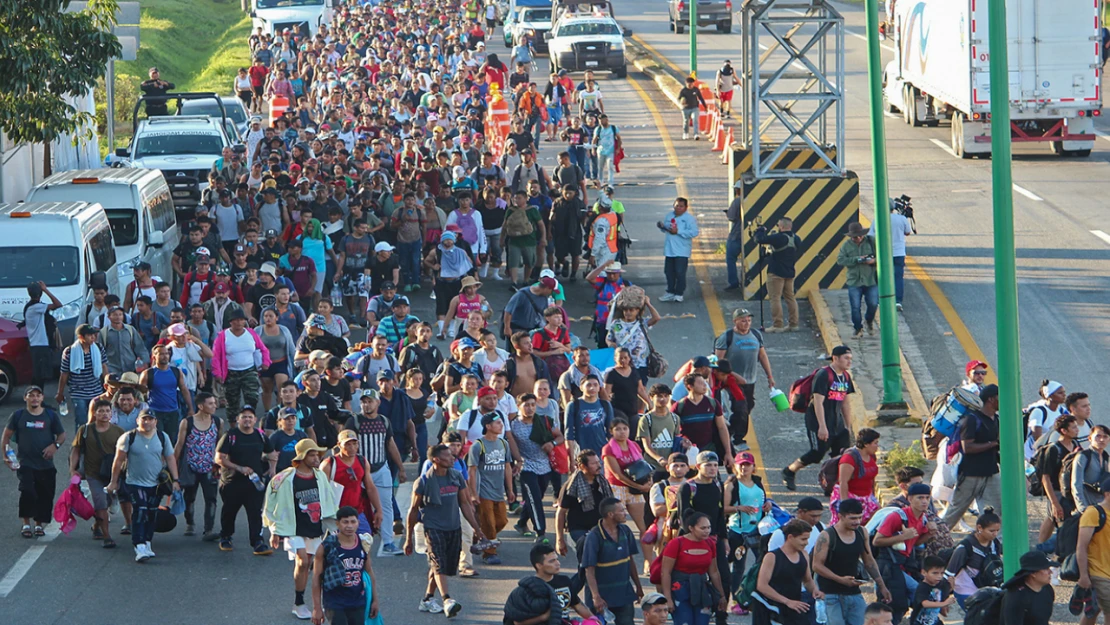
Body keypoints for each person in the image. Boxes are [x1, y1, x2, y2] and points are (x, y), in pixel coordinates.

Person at [404, 443, 489, 618]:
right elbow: (413, 510)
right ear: (436, 459)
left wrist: (477, 529)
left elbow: (464, 504)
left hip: (453, 527)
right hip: (433, 528)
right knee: (439, 564)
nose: (453, 458)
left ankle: (427, 599)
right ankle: (447, 600)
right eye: (448, 456)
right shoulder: (423, 482)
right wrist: (408, 538)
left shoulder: (456, 476)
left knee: (442, 566)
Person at [263, 438, 339, 620]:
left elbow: (328, 500)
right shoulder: (284, 478)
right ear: (302, 456)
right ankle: (298, 602)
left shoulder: (320, 476)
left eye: (317, 454)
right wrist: (274, 530)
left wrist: (334, 524)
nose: (316, 458)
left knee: (310, 564)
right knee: (302, 561)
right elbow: (271, 503)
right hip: (293, 527)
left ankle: (306, 600)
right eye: (312, 454)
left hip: (314, 527)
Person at [106, 408, 181, 562]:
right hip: (134, 482)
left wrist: (176, 480)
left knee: (152, 512)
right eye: (144, 419)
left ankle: (147, 541)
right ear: (137, 421)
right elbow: (118, 461)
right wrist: (113, 482)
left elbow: (170, 458)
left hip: (156, 483)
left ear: (155, 422)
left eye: (150, 419)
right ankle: (139, 545)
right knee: (140, 511)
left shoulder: (162, 437)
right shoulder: (128, 437)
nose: (147, 422)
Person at [782, 345, 855, 491]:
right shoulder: (824, 375)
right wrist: (822, 426)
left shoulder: (845, 377)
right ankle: (790, 471)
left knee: (842, 453)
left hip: (837, 421)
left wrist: (848, 427)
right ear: (835, 358)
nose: (849, 362)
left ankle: (834, 485)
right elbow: (818, 402)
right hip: (817, 420)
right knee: (817, 453)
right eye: (846, 358)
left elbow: (845, 403)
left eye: (850, 359)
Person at [811, 498, 892, 625]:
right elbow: (816, 566)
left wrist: (882, 586)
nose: (857, 522)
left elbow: (869, 561)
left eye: (859, 518)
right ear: (840, 516)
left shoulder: (862, 532)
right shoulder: (826, 536)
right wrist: (840, 579)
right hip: (830, 593)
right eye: (853, 518)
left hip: (853, 592)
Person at [344, 392, 403, 555]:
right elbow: (343, 443)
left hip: (380, 467)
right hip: (359, 470)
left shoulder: (384, 421)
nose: (366, 405)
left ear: (378, 403)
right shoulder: (354, 421)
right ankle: (355, 540)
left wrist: (400, 467)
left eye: (370, 401)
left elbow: (390, 444)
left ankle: (388, 542)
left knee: (386, 505)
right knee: (356, 505)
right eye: (363, 402)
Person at [215, 405, 278, 555]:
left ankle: (257, 542)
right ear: (238, 420)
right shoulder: (230, 436)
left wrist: (272, 469)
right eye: (244, 417)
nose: (247, 420)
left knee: (255, 512)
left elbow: (272, 453)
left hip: (254, 483)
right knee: (229, 511)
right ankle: (226, 537)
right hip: (232, 482)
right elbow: (219, 458)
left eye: (250, 417)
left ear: (255, 419)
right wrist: (239, 468)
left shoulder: (260, 435)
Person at [4, 385, 65, 538]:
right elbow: (5, 438)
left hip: (46, 465)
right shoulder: (18, 415)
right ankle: (26, 523)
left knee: (45, 495)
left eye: (38, 395)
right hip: (25, 463)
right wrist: (6, 457)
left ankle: (39, 524)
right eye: (31, 395)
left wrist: (55, 445)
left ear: (42, 398)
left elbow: (62, 435)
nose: (35, 398)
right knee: (28, 492)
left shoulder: (50, 415)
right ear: (25, 398)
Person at [713, 308, 774, 451]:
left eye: (748, 320)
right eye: (742, 320)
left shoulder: (756, 335)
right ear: (735, 321)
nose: (746, 323)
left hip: (750, 380)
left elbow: (763, 356)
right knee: (740, 408)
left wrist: (769, 376)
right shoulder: (726, 337)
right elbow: (718, 362)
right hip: (731, 381)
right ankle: (738, 439)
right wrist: (730, 375)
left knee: (747, 407)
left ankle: (729, 431)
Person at [873, 482, 934, 622]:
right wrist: (902, 537)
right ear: (910, 499)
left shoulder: (922, 518)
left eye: (927, 498)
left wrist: (930, 534)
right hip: (888, 566)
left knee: (906, 601)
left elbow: (915, 542)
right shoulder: (897, 516)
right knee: (900, 601)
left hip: (903, 566)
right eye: (920, 498)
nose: (924, 501)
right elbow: (877, 541)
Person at [942, 383, 1001, 526]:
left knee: (994, 513)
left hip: (991, 472)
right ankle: (933, 539)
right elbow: (967, 447)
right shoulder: (972, 420)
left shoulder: (997, 419)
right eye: (1000, 397)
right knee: (955, 512)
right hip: (970, 474)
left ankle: (997, 544)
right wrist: (994, 444)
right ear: (991, 399)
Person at [311, 505, 381, 625]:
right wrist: (317, 608)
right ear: (337, 524)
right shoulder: (326, 546)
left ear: (358, 523)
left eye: (353, 522)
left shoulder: (363, 544)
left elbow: (369, 572)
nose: (349, 526)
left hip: (358, 601)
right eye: (345, 522)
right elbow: (317, 577)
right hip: (334, 602)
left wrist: (374, 600)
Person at [69, 398, 125, 548]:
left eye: (108, 411)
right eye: (101, 411)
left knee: (106, 503)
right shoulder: (85, 430)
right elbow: (76, 450)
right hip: (93, 474)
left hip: (112, 474)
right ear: (95, 413)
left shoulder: (118, 431)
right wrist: (72, 469)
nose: (105, 414)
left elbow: (126, 453)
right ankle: (107, 536)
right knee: (100, 502)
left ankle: (96, 525)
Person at [581, 497, 644, 625]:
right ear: (610, 514)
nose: (625, 513)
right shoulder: (594, 536)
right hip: (602, 598)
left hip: (623, 594)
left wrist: (638, 586)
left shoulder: (626, 532)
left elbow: (630, 560)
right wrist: (596, 597)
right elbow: (589, 570)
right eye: (621, 511)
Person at [511, 392, 564, 542]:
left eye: (533, 405)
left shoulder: (544, 421)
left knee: (536, 497)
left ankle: (521, 523)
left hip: (545, 466)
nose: (530, 408)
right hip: (526, 467)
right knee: (534, 499)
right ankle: (541, 533)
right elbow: (510, 445)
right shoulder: (513, 426)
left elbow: (560, 437)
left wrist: (552, 443)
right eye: (526, 405)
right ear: (518, 406)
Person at [661, 512, 728, 625]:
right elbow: (665, 573)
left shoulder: (710, 544)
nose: (707, 531)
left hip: (701, 589)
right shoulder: (676, 543)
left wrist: (721, 596)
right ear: (691, 528)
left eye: (709, 527)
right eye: (703, 528)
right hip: (679, 590)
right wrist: (668, 598)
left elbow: (714, 572)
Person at [753, 519, 824, 625]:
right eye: (803, 539)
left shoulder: (804, 555)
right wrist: (787, 601)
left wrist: (814, 590)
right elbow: (762, 585)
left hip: (794, 606)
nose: (806, 543)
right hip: (771, 607)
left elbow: (807, 580)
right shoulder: (772, 557)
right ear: (790, 537)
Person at [468, 411, 514, 565]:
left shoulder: (503, 443)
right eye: (498, 423)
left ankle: (480, 537)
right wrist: (474, 493)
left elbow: (507, 467)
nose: (501, 425)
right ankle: (489, 553)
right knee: (488, 521)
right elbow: (472, 471)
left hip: (498, 490)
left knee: (501, 520)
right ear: (488, 426)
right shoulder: (478, 446)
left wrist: (510, 490)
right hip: (484, 491)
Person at [175, 392, 223, 540]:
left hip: (211, 468)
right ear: (201, 406)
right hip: (191, 467)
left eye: (214, 403)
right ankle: (190, 523)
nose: (214, 406)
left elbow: (221, 445)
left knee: (211, 499)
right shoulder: (187, 422)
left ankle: (208, 530)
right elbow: (179, 445)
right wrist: (173, 469)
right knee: (189, 497)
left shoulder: (217, 421)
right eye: (210, 403)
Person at [212, 309, 271, 420]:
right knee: (232, 402)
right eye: (236, 320)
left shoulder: (251, 333)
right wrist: (217, 373)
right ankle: (234, 427)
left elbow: (263, 349)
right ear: (231, 322)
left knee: (252, 397)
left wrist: (265, 362)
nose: (239, 323)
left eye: (241, 320)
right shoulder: (223, 336)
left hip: (249, 370)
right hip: (231, 372)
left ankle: (250, 422)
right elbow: (215, 356)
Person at [556, 450, 614, 559]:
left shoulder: (602, 482)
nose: (598, 466)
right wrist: (560, 540)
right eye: (593, 463)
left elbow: (610, 504)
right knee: (587, 558)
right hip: (579, 529)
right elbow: (561, 512)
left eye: (598, 462)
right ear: (582, 466)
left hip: (600, 527)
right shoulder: (571, 486)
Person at [944, 508, 1002, 609]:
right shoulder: (965, 548)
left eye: (997, 530)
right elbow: (949, 574)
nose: (995, 534)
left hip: (987, 589)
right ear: (979, 528)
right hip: (966, 590)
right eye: (991, 531)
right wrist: (943, 600)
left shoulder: (994, 543)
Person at [674, 373, 733, 469]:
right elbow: (672, 429)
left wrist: (728, 453)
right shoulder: (679, 406)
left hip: (709, 448)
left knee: (711, 476)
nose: (705, 385)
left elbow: (722, 427)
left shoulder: (713, 403)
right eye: (700, 383)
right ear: (690, 386)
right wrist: (681, 441)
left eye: (705, 382)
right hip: (688, 451)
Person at [140, 344, 194, 445]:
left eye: (166, 354)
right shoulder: (148, 373)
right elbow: (140, 394)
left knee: (172, 441)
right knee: (157, 441)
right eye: (161, 354)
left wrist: (190, 408)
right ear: (154, 356)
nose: (165, 356)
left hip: (173, 411)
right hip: (155, 412)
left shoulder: (176, 372)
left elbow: (184, 390)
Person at [57, 324, 107, 430]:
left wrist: (107, 384)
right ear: (81, 337)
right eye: (90, 335)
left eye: (94, 335)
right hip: (78, 392)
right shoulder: (70, 351)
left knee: (97, 419)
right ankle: (80, 443)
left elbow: (103, 367)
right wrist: (60, 393)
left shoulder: (98, 348)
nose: (93, 337)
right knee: (81, 420)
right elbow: (64, 373)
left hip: (96, 390)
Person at [754, 218, 800, 331]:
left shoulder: (779, 237)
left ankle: (777, 325)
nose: (778, 228)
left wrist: (761, 230)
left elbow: (759, 239)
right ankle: (794, 324)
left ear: (782, 226)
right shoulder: (796, 238)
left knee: (775, 298)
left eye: (778, 225)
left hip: (776, 272)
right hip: (789, 271)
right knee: (790, 298)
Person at [530, 543, 594, 622]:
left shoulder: (564, 581)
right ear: (539, 565)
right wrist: (544, 617)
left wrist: (594, 620)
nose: (558, 563)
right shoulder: (530, 588)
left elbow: (577, 605)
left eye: (557, 559)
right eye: (552, 561)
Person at [830, 429, 881, 525]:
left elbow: (871, 479)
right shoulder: (849, 458)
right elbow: (843, 482)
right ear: (866, 444)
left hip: (866, 496)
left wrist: (872, 495)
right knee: (849, 523)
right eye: (875, 443)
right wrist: (845, 505)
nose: (877, 446)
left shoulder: (871, 456)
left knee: (877, 516)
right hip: (850, 495)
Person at [837, 222, 878, 338]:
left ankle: (869, 320)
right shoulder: (846, 246)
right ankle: (858, 328)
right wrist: (857, 259)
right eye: (855, 237)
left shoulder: (872, 242)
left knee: (873, 304)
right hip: (854, 281)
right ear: (851, 237)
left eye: (860, 235)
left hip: (870, 280)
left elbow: (884, 255)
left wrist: (873, 261)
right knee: (855, 307)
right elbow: (840, 260)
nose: (859, 238)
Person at [1077, 476, 1110, 618]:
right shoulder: (1094, 513)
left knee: (1093, 611)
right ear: (1107, 494)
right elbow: (1081, 546)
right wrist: (1083, 575)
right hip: (1099, 573)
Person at [658, 197, 699, 303]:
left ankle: (679, 293)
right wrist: (662, 227)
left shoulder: (689, 219)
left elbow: (694, 232)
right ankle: (670, 292)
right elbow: (667, 229)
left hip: (682, 250)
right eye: (677, 206)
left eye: (681, 206)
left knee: (680, 272)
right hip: (669, 249)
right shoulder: (669, 215)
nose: (678, 208)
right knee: (668, 272)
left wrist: (679, 231)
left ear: (686, 207)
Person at [565, 375, 615, 458]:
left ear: (599, 387)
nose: (592, 388)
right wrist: (571, 459)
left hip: (602, 452)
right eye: (588, 385)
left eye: (595, 385)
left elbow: (611, 432)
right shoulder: (573, 405)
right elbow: (568, 434)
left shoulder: (605, 404)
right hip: (581, 453)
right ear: (581, 387)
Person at [1000, 551, 1057, 625]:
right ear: (1033, 573)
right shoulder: (1015, 597)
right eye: (1045, 569)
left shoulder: (1047, 589)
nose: (1050, 572)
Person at [1072, 424, 1110, 514]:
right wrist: (1082, 508)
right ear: (1090, 438)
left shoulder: (1106, 457)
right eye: (1098, 436)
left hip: (1101, 505)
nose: (1102, 440)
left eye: (1105, 437)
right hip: (1085, 506)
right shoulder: (1083, 456)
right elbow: (1076, 484)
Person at [907, 555, 954, 625]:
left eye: (942, 573)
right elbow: (925, 603)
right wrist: (944, 603)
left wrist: (952, 586)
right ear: (924, 573)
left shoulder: (941, 584)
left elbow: (944, 595)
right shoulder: (922, 587)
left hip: (934, 620)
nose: (939, 576)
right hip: (920, 622)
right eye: (935, 573)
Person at [678, 76, 708, 140]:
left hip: (695, 108)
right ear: (686, 83)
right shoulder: (683, 91)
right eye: (689, 84)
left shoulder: (696, 89)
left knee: (695, 120)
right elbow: (679, 99)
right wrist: (682, 102)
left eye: (692, 84)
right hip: (685, 108)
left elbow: (701, 98)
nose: (690, 86)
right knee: (686, 121)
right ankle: (685, 133)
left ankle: (696, 134)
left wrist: (705, 106)